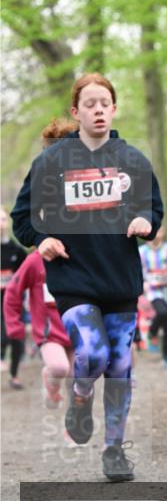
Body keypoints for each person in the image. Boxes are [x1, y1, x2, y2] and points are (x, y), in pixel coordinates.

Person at [11, 73, 163, 482]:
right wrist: (41, 241)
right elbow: (22, 220)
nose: (98, 110)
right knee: (93, 354)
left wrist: (143, 221)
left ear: (114, 109)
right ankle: (80, 398)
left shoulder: (132, 160)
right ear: (76, 112)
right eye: (89, 104)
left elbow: (154, 210)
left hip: (120, 278)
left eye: (105, 103)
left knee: (119, 366)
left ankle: (114, 451)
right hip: (73, 276)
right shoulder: (52, 161)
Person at [3, 119, 77, 406]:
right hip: (49, 332)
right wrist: (15, 328)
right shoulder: (36, 261)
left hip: (78, 326)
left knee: (78, 375)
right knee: (60, 368)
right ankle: (51, 379)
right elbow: (13, 292)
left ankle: (75, 427)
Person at [139, 227, 167, 368]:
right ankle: (151, 333)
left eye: (160, 231)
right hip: (152, 291)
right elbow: (139, 271)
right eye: (154, 231)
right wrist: (142, 283)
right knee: (162, 312)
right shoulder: (142, 251)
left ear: (163, 233)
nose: (156, 234)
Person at [1, 206, 27, 388]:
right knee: (3, 334)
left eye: (2, 219)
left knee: (17, 336)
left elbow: (25, 276)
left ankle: (14, 375)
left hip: (13, 301)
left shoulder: (17, 251)